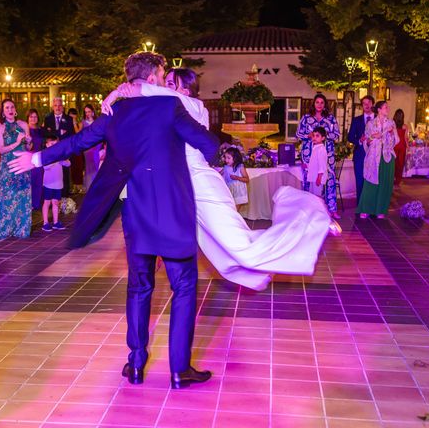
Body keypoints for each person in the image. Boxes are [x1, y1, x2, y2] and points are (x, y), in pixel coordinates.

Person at [8, 52, 219, 390]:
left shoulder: (115, 114)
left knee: (139, 286)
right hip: (173, 213)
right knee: (183, 287)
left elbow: (78, 142)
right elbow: (208, 143)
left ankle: (136, 364)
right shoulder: (169, 108)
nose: (165, 81)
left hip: (136, 213)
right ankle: (179, 369)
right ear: (151, 78)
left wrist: (36, 158)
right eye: (162, 74)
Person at [100, 67, 335, 292]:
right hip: (182, 187)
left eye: (171, 84)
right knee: (216, 250)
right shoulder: (170, 108)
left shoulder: (194, 105)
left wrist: (118, 92)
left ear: (186, 90)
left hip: (202, 185)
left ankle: (311, 216)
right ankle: (258, 272)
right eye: (166, 83)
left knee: (241, 246)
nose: (165, 87)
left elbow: (152, 92)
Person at [0, 99, 33, 240]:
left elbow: (29, 148)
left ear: (15, 109)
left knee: (22, 197)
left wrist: (28, 142)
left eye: (12, 107)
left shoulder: (23, 124)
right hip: (8, 166)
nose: (10, 109)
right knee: (8, 197)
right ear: (3, 111)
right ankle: (5, 228)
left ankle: (22, 228)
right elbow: (1, 150)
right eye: (6, 107)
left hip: (23, 165)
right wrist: (17, 142)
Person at [297, 93, 341, 219]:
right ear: (313, 103)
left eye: (322, 102)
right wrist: (309, 135)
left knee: (329, 180)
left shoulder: (331, 119)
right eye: (317, 102)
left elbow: (336, 134)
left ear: (325, 104)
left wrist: (324, 135)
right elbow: (298, 133)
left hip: (326, 153)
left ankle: (331, 209)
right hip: (308, 154)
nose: (319, 105)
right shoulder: (306, 118)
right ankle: (309, 210)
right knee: (309, 181)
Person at [357, 101, 398, 219]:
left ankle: (381, 210)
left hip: (387, 157)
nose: (388, 109)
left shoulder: (391, 123)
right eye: (385, 107)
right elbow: (366, 141)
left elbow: (396, 140)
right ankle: (366, 209)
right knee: (370, 182)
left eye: (387, 107)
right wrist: (372, 137)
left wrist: (390, 134)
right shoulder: (370, 124)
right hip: (373, 157)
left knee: (385, 183)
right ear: (379, 110)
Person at [43, 97, 74, 197]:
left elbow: (71, 136)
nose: (57, 107)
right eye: (55, 105)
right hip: (51, 152)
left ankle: (64, 198)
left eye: (60, 105)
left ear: (63, 107)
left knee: (64, 174)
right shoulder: (47, 119)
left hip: (64, 152)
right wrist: (59, 132)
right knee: (51, 174)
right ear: (52, 106)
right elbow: (46, 135)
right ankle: (51, 197)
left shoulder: (69, 119)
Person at [347, 95, 375, 204]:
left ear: (372, 104)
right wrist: (359, 140)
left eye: (369, 103)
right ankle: (361, 206)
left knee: (372, 182)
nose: (367, 105)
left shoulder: (378, 119)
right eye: (364, 103)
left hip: (374, 156)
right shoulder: (356, 120)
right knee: (360, 182)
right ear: (362, 106)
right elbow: (350, 137)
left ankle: (371, 206)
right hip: (360, 155)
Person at [40, 135, 70, 232]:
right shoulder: (45, 154)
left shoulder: (60, 154)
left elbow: (68, 163)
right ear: (47, 144)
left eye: (55, 144)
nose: (54, 145)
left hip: (58, 182)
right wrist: (56, 160)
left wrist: (62, 160)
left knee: (56, 202)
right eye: (51, 143)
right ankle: (45, 223)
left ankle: (56, 222)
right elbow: (45, 167)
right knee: (47, 202)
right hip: (48, 183)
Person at [27, 108, 45, 211]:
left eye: (35, 117)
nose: (33, 118)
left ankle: (37, 203)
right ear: (28, 118)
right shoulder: (25, 130)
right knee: (30, 181)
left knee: (39, 180)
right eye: (31, 116)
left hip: (40, 157)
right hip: (29, 158)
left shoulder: (41, 131)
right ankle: (29, 203)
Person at [220, 146, 249, 210]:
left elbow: (247, 179)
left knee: (235, 209)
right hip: (229, 189)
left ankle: (235, 219)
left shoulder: (240, 167)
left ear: (235, 158)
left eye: (228, 158)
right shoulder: (225, 167)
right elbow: (218, 175)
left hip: (238, 190)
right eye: (225, 157)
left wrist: (237, 177)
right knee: (230, 208)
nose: (226, 160)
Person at [82, 104, 102, 191]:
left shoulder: (97, 121)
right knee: (89, 166)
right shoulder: (83, 122)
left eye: (89, 111)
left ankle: (96, 185)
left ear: (93, 112)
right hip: (87, 146)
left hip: (97, 146)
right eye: (86, 112)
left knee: (96, 164)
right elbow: (81, 135)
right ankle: (89, 186)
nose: (87, 114)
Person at [307, 126, 328, 197]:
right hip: (313, 177)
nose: (314, 138)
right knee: (312, 197)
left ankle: (318, 208)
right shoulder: (315, 148)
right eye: (313, 136)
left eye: (317, 136)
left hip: (318, 178)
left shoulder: (321, 149)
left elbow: (322, 165)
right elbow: (314, 163)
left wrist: (319, 178)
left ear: (323, 138)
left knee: (317, 198)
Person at [67, 107, 85, 192]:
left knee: (79, 166)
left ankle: (79, 185)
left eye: (74, 114)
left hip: (78, 147)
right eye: (71, 115)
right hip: (70, 147)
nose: (72, 116)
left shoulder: (80, 123)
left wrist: (74, 123)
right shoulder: (67, 124)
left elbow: (78, 133)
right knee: (72, 167)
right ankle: (73, 186)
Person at [393, 108, 409, 186]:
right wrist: (408, 146)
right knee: (401, 163)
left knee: (394, 163)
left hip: (394, 145)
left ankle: (393, 178)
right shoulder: (405, 126)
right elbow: (406, 138)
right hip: (402, 146)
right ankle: (398, 180)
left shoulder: (392, 125)